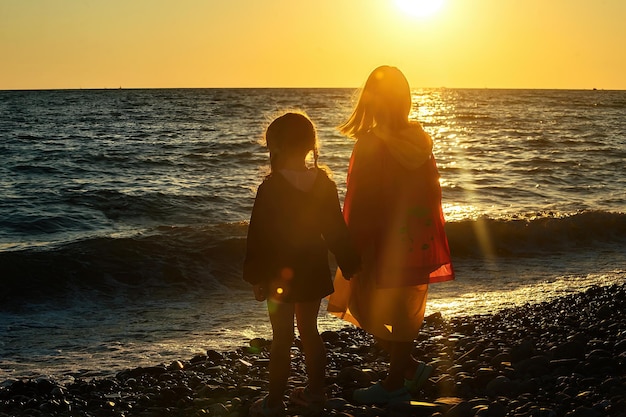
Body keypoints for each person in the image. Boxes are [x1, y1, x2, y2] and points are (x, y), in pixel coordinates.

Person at [328, 66, 455, 405]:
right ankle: (407, 370)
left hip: (382, 241)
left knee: (357, 301)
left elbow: (360, 199)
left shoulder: (371, 143)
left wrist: (350, 244)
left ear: (370, 101)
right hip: (416, 239)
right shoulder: (420, 140)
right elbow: (432, 193)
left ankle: (396, 382)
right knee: (403, 310)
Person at [244, 111, 361, 416]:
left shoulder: (270, 188)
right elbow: (336, 230)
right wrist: (350, 264)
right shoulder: (323, 184)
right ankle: (316, 394)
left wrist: (256, 276)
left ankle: (273, 403)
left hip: (278, 274)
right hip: (312, 269)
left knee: (282, 338)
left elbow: (258, 236)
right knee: (310, 332)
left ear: (277, 149)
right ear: (310, 146)